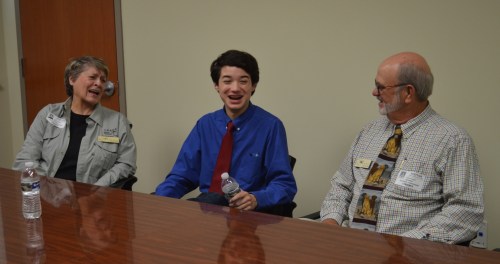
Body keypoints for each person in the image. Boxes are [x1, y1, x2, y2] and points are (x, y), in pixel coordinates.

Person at [320, 52, 484, 244]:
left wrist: (401, 245)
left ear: (408, 93)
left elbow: (465, 212)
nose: (374, 93)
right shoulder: (369, 131)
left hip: (408, 253)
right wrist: (330, 224)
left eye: (380, 87)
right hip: (350, 245)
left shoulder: (452, 140)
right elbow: (341, 186)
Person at [155, 50, 297, 216]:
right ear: (217, 85)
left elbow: (284, 184)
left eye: (243, 81)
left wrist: (256, 198)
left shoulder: (271, 126)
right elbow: (181, 176)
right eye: (227, 81)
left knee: (211, 203)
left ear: (254, 85)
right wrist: (157, 200)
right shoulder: (205, 125)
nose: (235, 88)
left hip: (249, 216)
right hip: (208, 214)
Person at [13, 56, 136, 186]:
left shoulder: (118, 121)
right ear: (72, 79)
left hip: (93, 199)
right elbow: (25, 160)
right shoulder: (48, 114)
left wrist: (98, 189)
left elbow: (127, 164)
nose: (99, 83)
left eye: (103, 80)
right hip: (46, 195)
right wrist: (47, 190)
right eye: (93, 77)